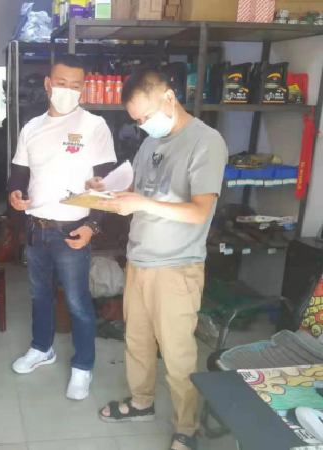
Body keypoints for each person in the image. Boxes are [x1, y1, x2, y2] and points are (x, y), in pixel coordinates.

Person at [94, 71, 227, 450]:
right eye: (136, 120)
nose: (142, 125)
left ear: (169, 97)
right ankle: (141, 402)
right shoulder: (151, 141)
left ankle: (187, 427)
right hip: (139, 260)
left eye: (146, 116)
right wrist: (108, 189)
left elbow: (200, 211)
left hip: (176, 267)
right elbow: (139, 187)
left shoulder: (206, 142)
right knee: (136, 340)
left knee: (178, 353)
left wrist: (140, 203)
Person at [8, 54, 117, 400]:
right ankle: (42, 348)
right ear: (48, 84)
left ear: (83, 88)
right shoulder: (31, 128)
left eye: (75, 85)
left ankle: (83, 366)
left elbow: (108, 183)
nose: (67, 90)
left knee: (78, 302)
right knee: (39, 296)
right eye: (61, 83)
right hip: (36, 228)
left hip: (73, 230)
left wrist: (93, 226)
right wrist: (15, 194)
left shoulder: (94, 126)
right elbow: (19, 174)